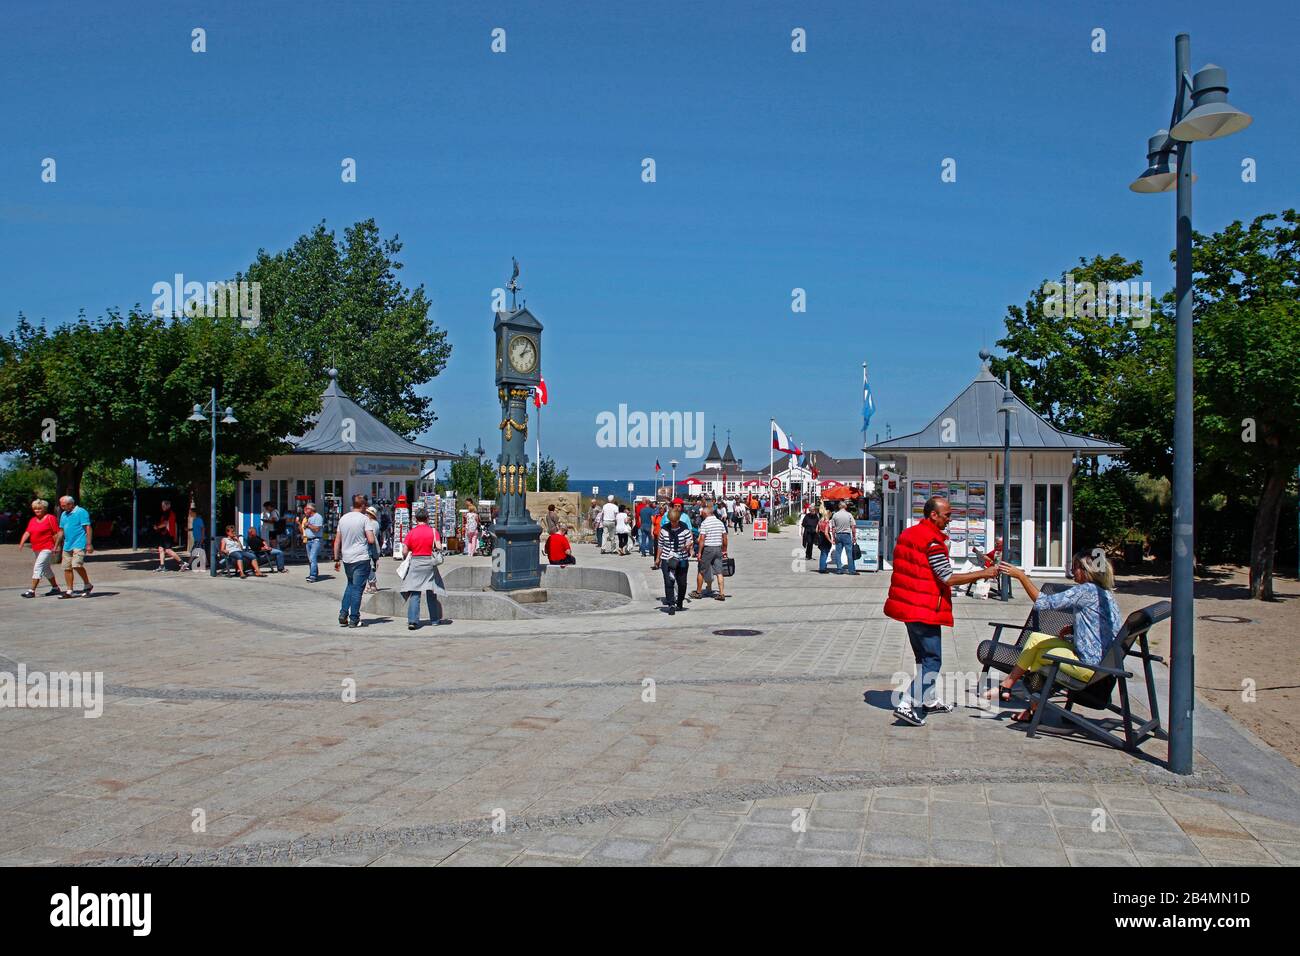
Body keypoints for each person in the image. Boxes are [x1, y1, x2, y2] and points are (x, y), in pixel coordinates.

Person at [883, 495, 999, 726]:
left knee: (922, 657)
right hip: (924, 608)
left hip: (908, 605)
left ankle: (929, 700)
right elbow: (947, 577)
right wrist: (983, 574)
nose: (950, 519)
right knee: (933, 661)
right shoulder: (933, 542)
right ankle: (907, 703)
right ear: (933, 515)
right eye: (947, 515)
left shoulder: (909, 534)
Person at [984, 551, 1124, 723]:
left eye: (1075, 568)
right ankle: (1008, 687)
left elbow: (1043, 603)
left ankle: (1030, 707)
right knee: (1035, 638)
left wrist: (1021, 576)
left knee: (1038, 657)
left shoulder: (1086, 590)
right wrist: (1074, 628)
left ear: (1087, 571)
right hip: (1100, 663)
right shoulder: (1105, 593)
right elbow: (1104, 625)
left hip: (1087, 666)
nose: (1072, 572)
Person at [400, 504, 450, 630]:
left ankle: (412, 621)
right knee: (431, 592)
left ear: (416, 519)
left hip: (416, 563)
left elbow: (405, 551)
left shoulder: (411, 533)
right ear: (427, 518)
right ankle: (434, 619)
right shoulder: (433, 531)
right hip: (429, 563)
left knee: (415, 592)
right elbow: (438, 547)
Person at [333, 494, 376, 628]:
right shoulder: (364, 519)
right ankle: (354, 618)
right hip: (361, 557)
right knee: (357, 589)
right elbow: (371, 540)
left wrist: (336, 558)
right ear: (363, 505)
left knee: (350, 586)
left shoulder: (343, 518)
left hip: (347, 558)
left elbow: (337, 541)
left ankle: (343, 613)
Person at [654, 505, 693, 615]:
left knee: (682, 583)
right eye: (672, 521)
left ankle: (679, 601)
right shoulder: (664, 530)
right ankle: (671, 604)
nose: (673, 523)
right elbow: (660, 545)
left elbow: (689, 541)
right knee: (668, 581)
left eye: (675, 521)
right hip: (667, 558)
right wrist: (657, 558)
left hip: (682, 558)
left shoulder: (684, 528)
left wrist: (688, 547)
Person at [19, 499, 61, 598]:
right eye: (35, 509)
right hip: (36, 547)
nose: (37, 511)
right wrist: (21, 543)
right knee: (46, 569)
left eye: (39, 509)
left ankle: (31, 590)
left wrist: (57, 546)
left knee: (38, 567)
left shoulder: (50, 518)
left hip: (47, 547)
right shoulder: (32, 520)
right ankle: (55, 588)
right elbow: (27, 532)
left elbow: (56, 533)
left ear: (44, 509)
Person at [55, 496, 93, 598]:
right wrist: (56, 546)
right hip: (67, 545)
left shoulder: (81, 512)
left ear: (71, 504)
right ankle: (69, 590)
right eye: (61, 505)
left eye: (64, 505)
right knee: (67, 568)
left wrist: (89, 544)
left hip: (79, 543)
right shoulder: (64, 514)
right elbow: (61, 531)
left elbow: (88, 528)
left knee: (76, 565)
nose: (62, 507)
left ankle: (87, 584)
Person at [693, 505, 729, 601]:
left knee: (701, 570)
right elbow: (725, 538)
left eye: (702, 514)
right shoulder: (720, 522)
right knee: (719, 572)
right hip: (718, 548)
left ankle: (698, 592)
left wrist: (699, 552)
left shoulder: (705, 523)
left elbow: (702, 540)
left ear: (705, 513)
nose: (702, 516)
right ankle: (721, 593)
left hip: (708, 549)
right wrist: (725, 550)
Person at [153, 500, 190, 572]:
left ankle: (183, 563)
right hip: (164, 534)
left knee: (168, 550)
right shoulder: (167, 513)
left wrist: (157, 527)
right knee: (161, 549)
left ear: (168, 506)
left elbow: (165, 523)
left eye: (163, 505)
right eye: (162, 505)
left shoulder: (168, 512)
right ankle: (162, 566)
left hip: (168, 534)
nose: (162, 507)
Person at [829, 500, 857, 575]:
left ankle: (839, 569)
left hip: (838, 535)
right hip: (847, 535)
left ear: (839, 506)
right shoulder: (849, 515)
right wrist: (854, 536)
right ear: (845, 506)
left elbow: (833, 528)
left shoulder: (835, 515)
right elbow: (853, 527)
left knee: (838, 553)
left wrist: (834, 537)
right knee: (849, 553)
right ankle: (851, 570)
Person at [300, 503, 324, 581]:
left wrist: (308, 525)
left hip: (315, 540)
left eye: (307, 508)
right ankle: (314, 573)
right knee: (310, 559)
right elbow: (303, 528)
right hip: (308, 540)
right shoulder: (308, 517)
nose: (305, 510)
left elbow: (317, 529)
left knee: (312, 558)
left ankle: (313, 576)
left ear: (312, 509)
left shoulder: (318, 517)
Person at [364, 505, 381, 593]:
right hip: (370, 547)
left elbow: (371, 537)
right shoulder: (371, 522)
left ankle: (373, 585)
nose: (366, 514)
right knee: (368, 566)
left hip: (371, 547)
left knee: (370, 566)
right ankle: (369, 585)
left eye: (368, 513)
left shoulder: (373, 523)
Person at [816, 506, 835, 573]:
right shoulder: (826, 522)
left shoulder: (820, 521)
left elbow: (816, 530)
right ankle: (823, 568)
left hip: (820, 538)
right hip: (825, 539)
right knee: (825, 554)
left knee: (822, 554)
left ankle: (822, 567)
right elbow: (826, 533)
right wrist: (831, 541)